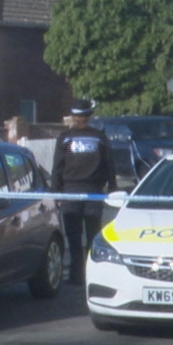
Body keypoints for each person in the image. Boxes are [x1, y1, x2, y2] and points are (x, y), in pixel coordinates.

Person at [49, 101, 113, 279]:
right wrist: (112, 189)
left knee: (74, 236)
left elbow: (57, 167)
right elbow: (109, 166)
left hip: (70, 193)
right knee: (93, 235)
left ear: (73, 116)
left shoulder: (65, 137)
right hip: (94, 192)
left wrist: (56, 193)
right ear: (89, 116)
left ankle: (77, 274)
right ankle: (91, 273)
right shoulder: (99, 137)